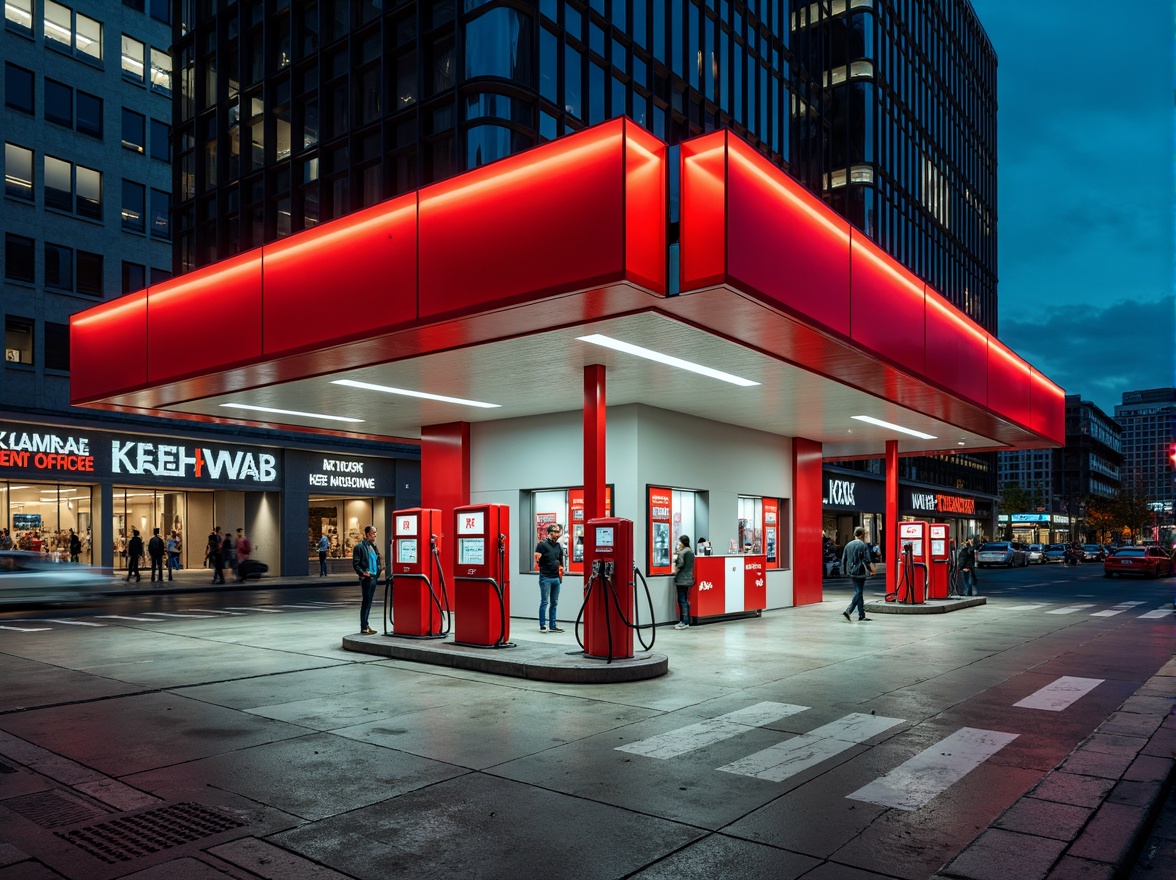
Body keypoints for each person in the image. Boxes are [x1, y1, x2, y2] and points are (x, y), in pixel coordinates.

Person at [534, 523, 566, 633]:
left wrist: (561, 574)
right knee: (544, 602)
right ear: (550, 533)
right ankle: (543, 625)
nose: (558, 534)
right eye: (555, 532)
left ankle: (553, 625)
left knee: (554, 602)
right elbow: (537, 560)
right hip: (545, 577)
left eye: (558, 532)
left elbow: (560, 560)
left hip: (556, 578)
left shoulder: (558, 546)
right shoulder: (542, 545)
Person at [351, 525, 382, 634]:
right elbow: (356, 563)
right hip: (367, 578)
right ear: (368, 534)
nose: (375, 535)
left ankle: (366, 625)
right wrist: (363, 573)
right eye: (373, 533)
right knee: (366, 602)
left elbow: (377, 560)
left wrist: (378, 570)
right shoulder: (360, 547)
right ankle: (364, 626)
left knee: (369, 602)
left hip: (373, 577)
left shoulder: (373, 546)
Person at [840, 525, 875, 622]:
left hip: (851, 572)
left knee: (859, 592)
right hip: (860, 571)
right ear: (862, 534)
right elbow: (866, 559)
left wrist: (843, 571)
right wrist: (871, 570)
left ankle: (861, 615)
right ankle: (849, 610)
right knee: (859, 592)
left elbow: (843, 559)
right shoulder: (862, 545)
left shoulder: (848, 545)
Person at [672, 534, 695, 629]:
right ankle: (686, 621)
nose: (679, 543)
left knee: (681, 600)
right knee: (685, 600)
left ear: (683, 542)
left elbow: (680, 564)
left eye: (680, 541)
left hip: (682, 579)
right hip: (689, 577)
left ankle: (683, 622)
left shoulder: (682, 553)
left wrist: (675, 571)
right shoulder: (690, 551)